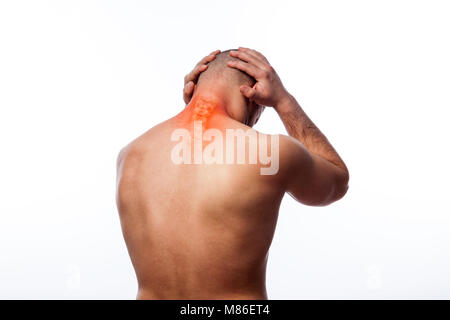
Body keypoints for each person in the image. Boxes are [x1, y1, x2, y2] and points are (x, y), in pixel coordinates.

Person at [116, 48, 349, 299]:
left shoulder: (131, 155)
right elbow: (337, 181)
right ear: (255, 99)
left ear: (192, 88)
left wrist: (196, 107)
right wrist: (284, 101)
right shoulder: (269, 152)